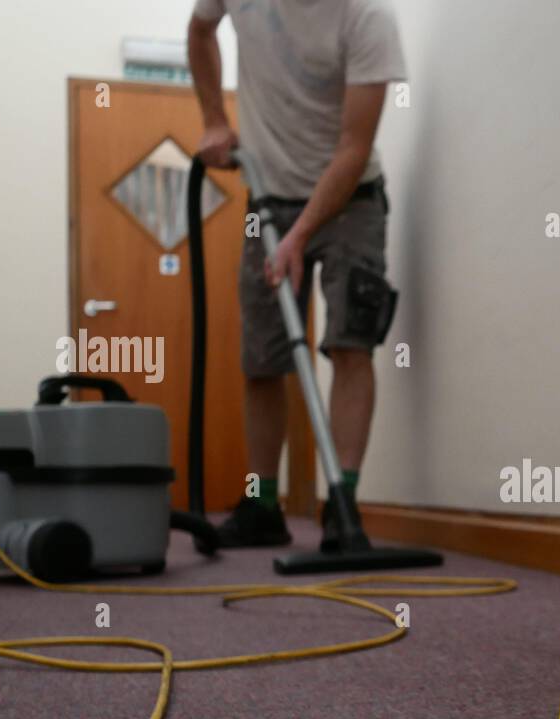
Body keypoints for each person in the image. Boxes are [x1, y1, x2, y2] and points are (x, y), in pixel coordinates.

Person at [187, 0, 406, 546]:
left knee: (352, 344)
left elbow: (354, 147)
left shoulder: (368, 17)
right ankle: (262, 505)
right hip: (268, 192)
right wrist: (214, 117)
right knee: (263, 358)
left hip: (352, 200)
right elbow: (200, 30)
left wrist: (300, 234)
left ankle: (342, 501)